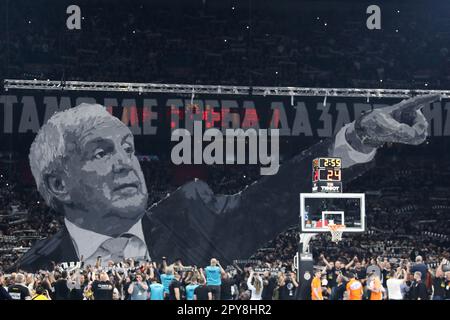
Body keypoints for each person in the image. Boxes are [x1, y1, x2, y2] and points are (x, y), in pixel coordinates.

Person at [14, 95, 437, 271]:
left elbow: (279, 195)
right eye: (102, 153)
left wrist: (363, 136)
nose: (128, 164)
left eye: (128, 148)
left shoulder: (192, 213)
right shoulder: (31, 271)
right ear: (59, 183)